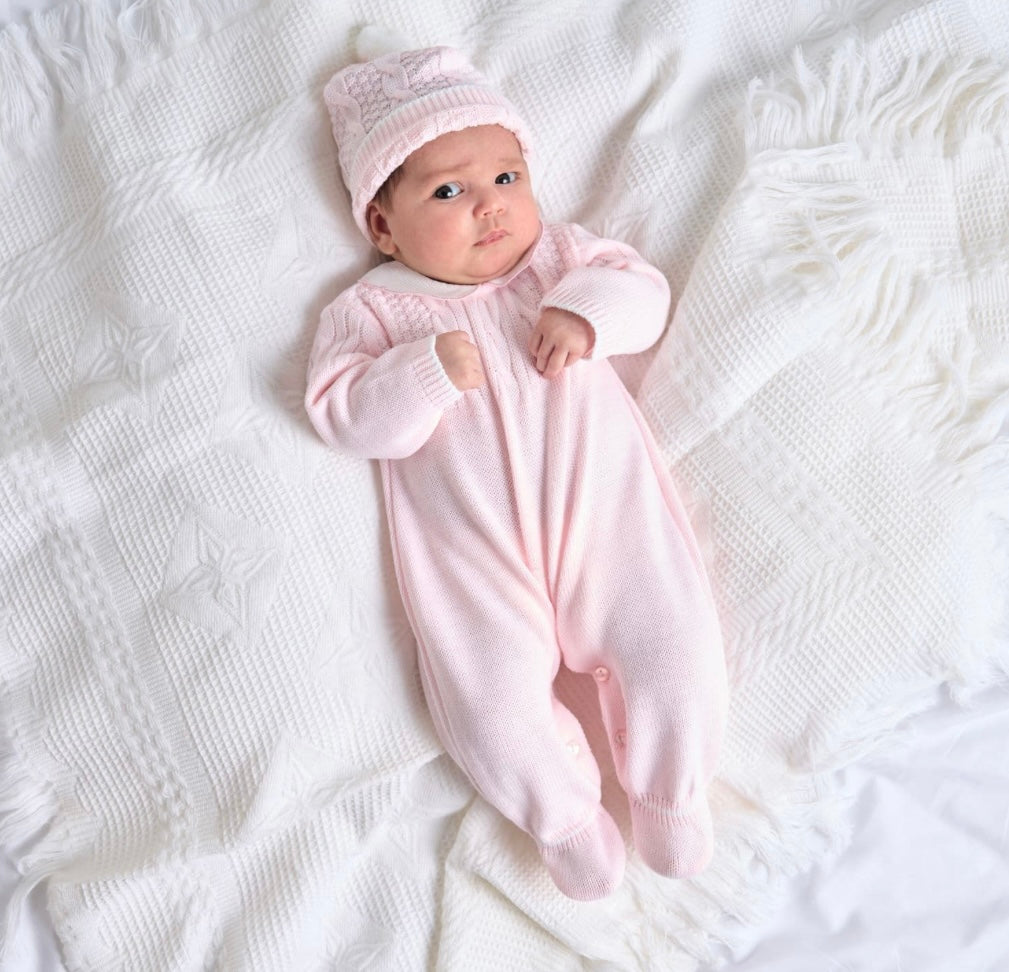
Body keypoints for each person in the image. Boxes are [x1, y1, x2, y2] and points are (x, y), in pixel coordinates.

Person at [306, 40, 728, 901]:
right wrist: (422, 371)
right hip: (473, 560)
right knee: (487, 704)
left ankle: (670, 797)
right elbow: (342, 414)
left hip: (608, 521)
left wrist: (586, 313)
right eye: (448, 192)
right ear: (382, 226)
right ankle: (565, 821)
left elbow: (641, 293)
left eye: (506, 179)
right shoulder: (375, 312)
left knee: (671, 642)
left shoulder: (557, 262)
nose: (489, 208)